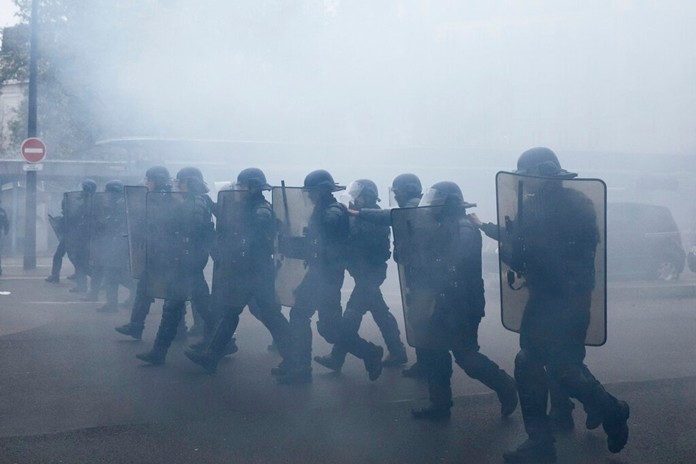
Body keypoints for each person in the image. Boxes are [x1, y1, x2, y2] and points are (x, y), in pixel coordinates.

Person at [484, 147, 629, 463]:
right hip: (542, 299)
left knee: (565, 369)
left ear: (545, 173)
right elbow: (522, 257)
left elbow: (567, 255)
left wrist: (524, 247)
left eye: (529, 176)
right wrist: (512, 248)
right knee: (528, 363)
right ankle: (540, 442)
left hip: (569, 300)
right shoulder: (532, 206)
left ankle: (613, 410)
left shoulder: (576, 205)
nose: (525, 182)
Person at [394, 181, 517, 420]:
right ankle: (440, 405)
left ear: (447, 203)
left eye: (436, 202)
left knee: (466, 356)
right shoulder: (440, 226)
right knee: (434, 353)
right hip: (440, 300)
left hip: (462, 303)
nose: (431, 206)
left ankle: (505, 385)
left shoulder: (464, 228)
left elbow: (453, 262)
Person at [275, 170, 383, 384]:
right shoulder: (322, 209)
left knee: (301, 315)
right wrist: (289, 243)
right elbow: (315, 245)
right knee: (329, 328)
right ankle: (369, 353)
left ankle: (301, 367)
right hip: (322, 274)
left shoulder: (333, 211)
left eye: (312, 191)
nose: (309, 195)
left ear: (321, 190)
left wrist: (297, 243)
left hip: (326, 276)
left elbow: (322, 243)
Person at [185, 168, 290, 374]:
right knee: (232, 312)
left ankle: (297, 359)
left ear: (252, 187)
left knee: (268, 315)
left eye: (242, 185)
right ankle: (211, 356)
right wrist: (208, 201)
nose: (238, 189)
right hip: (247, 270)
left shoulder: (261, 210)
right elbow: (228, 217)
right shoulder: (248, 206)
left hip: (257, 271)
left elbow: (255, 235)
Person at [314, 179, 407, 372]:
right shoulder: (362, 215)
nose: (355, 199)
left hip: (370, 275)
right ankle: (397, 351)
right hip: (364, 274)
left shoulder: (374, 218)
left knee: (351, 316)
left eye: (358, 196)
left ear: (367, 196)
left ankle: (344, 356)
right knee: (380, 311)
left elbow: (362, 245)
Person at [136, 167, 216, 365]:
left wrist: (178, 206)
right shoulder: (193, 201)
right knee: (201, 306)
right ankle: (224, 342)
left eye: (179, 181)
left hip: (188, 261)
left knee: (174, 306)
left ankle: (159, 352)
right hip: (186, 261)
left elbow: (191, 229)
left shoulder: (196, 203)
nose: (176, 185)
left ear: (188, 182)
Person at [351, 173, 427, 378]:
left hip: (384, 271)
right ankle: (408, 355)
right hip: (409, 270)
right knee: (383, 312)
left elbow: (389, 217)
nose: (396, 195)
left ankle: (420, 361)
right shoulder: (413, 207)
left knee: (419, 318)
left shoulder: (411, 208)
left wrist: (358, 214)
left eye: (398, 192)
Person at [0, 198, 9, 276]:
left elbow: (6, 222)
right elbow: (6, 222)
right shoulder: (2, 211)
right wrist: (6, 230)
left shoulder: (2, 211)